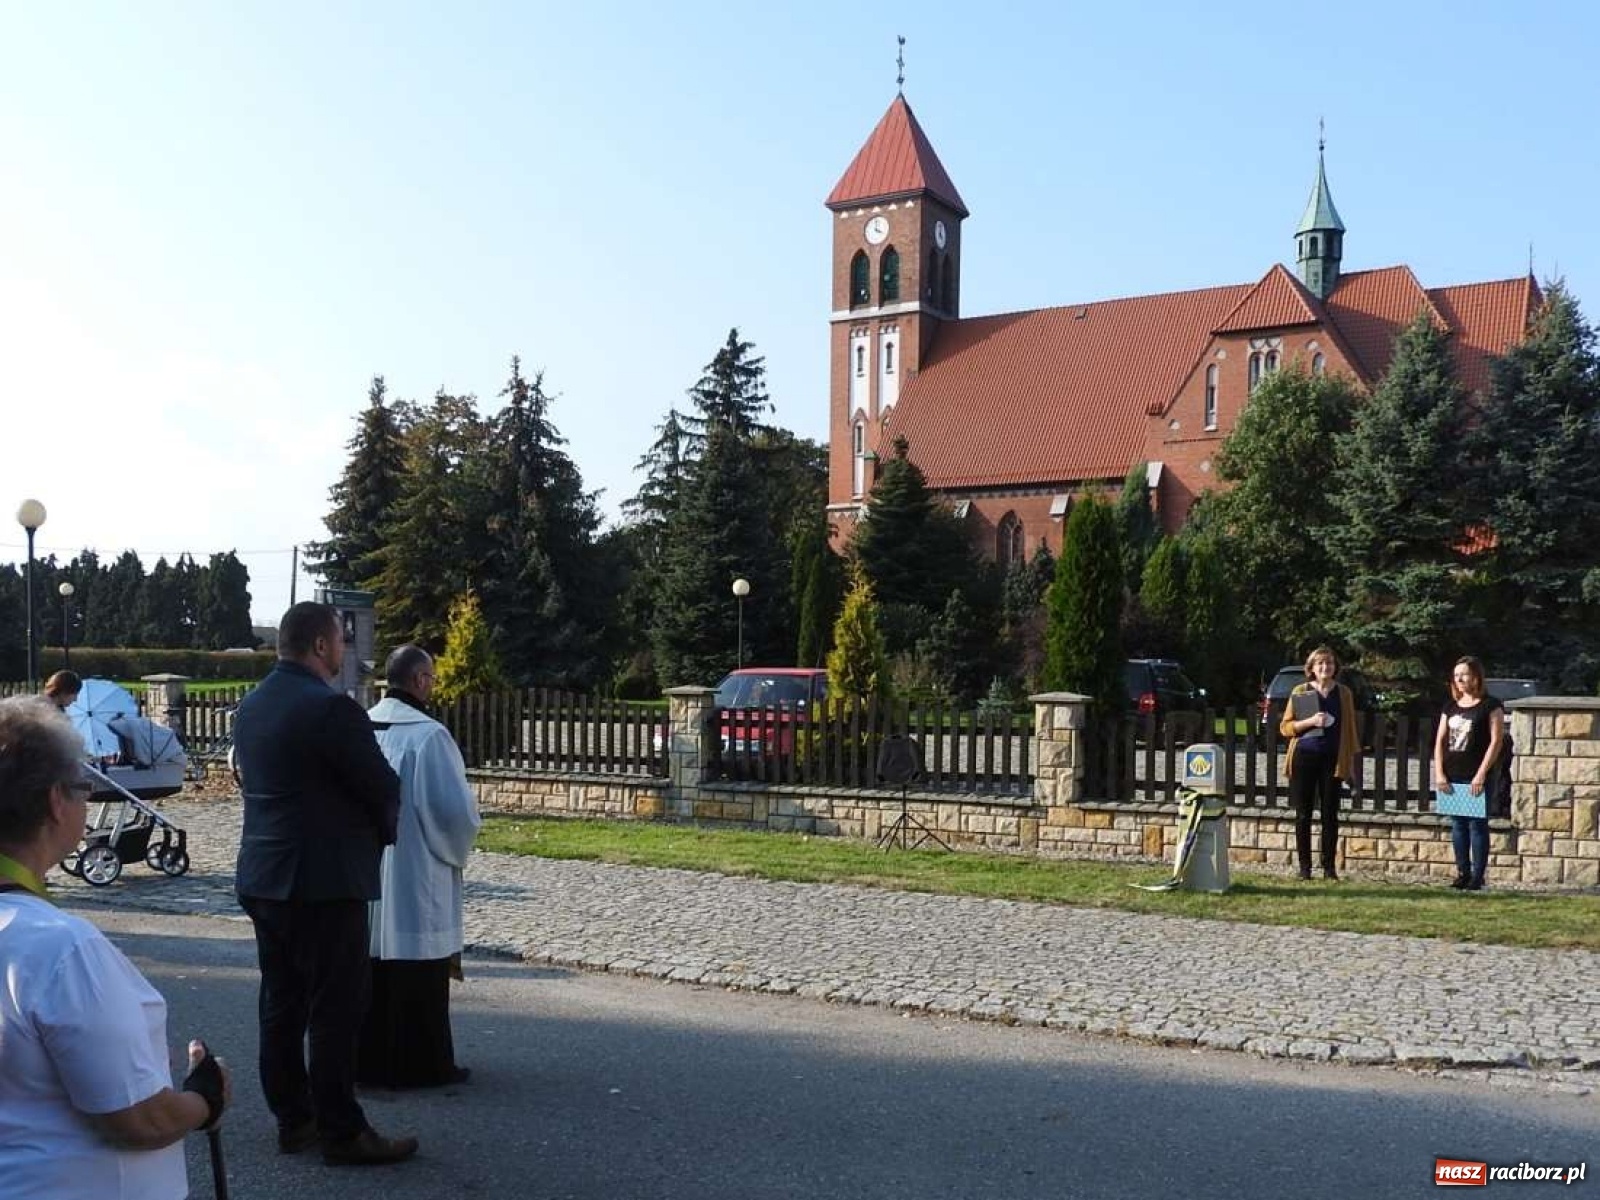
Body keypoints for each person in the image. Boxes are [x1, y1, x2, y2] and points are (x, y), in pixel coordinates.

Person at [0, 696, 230, 1198]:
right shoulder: (61, 949)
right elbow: (138, 1119)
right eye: (84, 790)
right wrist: (204, 1096)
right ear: (58, 802)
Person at [233, 601, 417, 1166]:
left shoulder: (251, 706)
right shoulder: (332, 710)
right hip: (324, 878)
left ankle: (294, 1119)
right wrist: (377, 836)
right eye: (340, 639)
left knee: (280, 1000)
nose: (344, 650)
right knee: (337, 1006)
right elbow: (382, 785)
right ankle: (343, 1131)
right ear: (319, 645)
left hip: (264, 872)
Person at [358, 645, 481, 1088]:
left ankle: (369, 1061)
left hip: (367, 864)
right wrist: (463, 842)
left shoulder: (363, 726)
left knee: (372, 964)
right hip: (417, 870)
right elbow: (453, 814)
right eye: (430, 677)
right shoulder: (429, 737)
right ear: (420, 680)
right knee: (417, 965)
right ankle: (421, 1064)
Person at [1279, 645, 1361, 881]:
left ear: (1335, 667)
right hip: (1304, 757)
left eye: (1330, 663)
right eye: (1321, 664)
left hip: (1332, 760)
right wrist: (1310, 722)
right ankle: (1305, 868)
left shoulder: (1343, 693)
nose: (1326, 667)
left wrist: (1351, 765)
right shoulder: (1301, 690)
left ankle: (1328, 868)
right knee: (1303, 814)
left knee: (1330, 815)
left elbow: (1351, 731)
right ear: (1312, 668)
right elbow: (1285, 727)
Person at [1432, 655, 1505, 891]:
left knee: (1477, 824)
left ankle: (1477, 876)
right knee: (1458, 824)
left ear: (1476, 677)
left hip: (1476, 774)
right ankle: (1462, 872)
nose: (1460, 679)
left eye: (1464, 674)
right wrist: (1440, 772)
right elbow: (1440, 740)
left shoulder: (1490, 705)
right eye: (1456, 675)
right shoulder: (1450, 706)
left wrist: (1482, 773)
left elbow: (1496, 741)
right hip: (1452, 774)